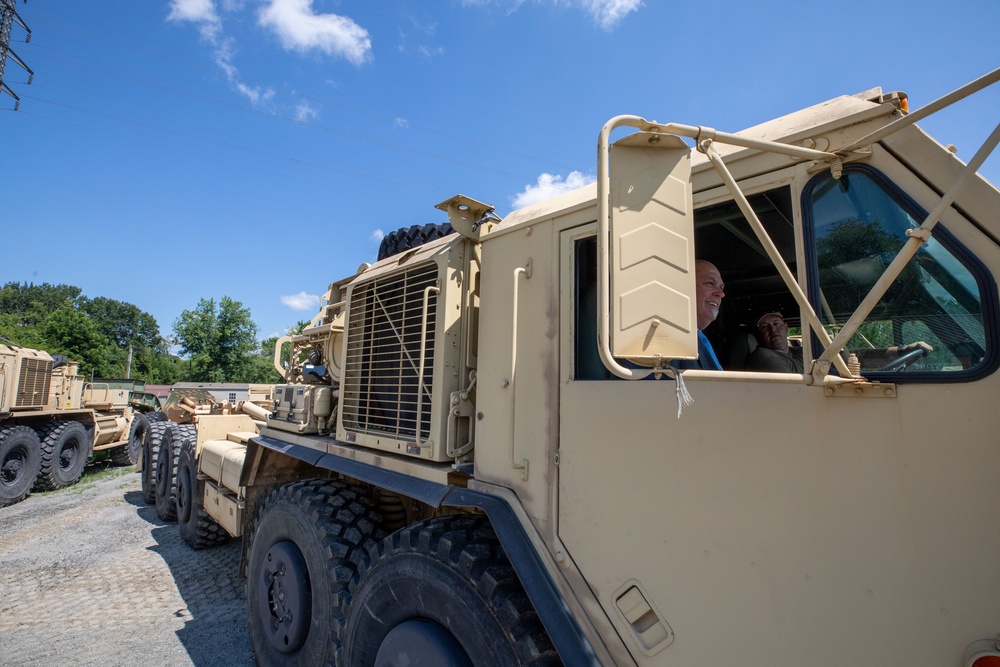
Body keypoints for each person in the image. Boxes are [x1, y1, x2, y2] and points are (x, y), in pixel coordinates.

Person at [674, 260, 725, 370]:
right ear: (684, 288)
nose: (721, 293)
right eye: (710, 283)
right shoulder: (666, 339)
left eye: (721, 287)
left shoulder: (698, 337)